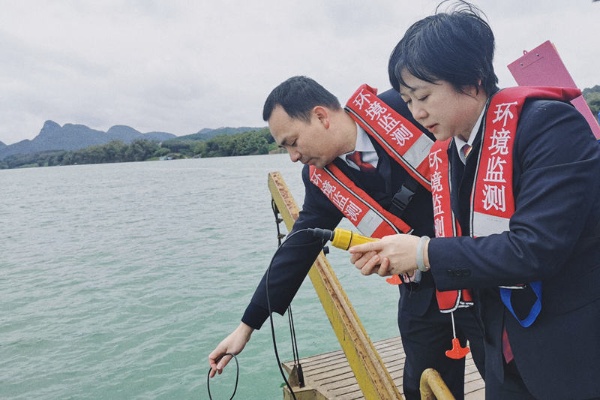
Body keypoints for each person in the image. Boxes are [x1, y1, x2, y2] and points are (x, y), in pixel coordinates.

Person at [350, 2, 600, 399]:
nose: (416, 112)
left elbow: (535, 249)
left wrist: (424, 253)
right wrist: (407, 263)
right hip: (501, 352)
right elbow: (474, 245)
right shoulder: (454, 150)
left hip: (568, 353)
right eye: (408, 100)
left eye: (424, 96)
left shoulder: (550, 126)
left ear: (472, 79)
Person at [208, 76, 486, 399]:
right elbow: (296, 250)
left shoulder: (405, 108)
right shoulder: (320, 180)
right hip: (422, 291)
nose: (293, 156)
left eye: (293, 141)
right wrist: (246, 327)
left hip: (478, 266)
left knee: (508, 377)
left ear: (321, 117)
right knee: (422, 388)